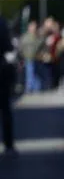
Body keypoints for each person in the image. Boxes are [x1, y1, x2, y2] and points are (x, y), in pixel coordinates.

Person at [0, 15, 16, 157]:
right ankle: (9, 144)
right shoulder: (1, 22)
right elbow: (8, 46)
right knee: (5, 110)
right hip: (2, 71)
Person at [19, 21, 42, 93]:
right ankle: (30, 87)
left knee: (33, 73)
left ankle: (34, 87)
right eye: (32, 27)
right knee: (30, 73)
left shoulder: (36, 36)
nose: (33, 28)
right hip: (28, 58)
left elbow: (39, 46)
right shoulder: (25, 36)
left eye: (34, 27)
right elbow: (21, 46)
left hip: (35, 58)